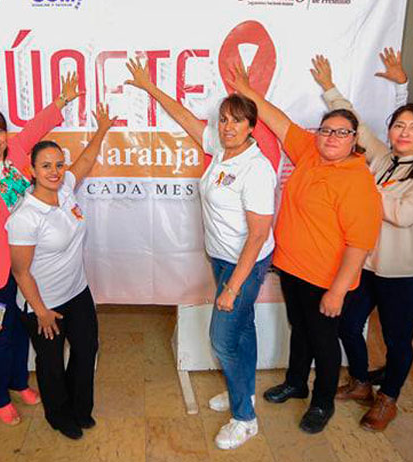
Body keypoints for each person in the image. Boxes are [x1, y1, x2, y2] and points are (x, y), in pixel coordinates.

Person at [125, 58, 277, 450]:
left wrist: (231, 288)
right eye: (223, 119)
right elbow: (184, 117)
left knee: (224, 339)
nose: (227, 127)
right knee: (243, 332)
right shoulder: (221, 148)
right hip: (222, 257)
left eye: (236, 121)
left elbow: (258, 236)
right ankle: (241, 389)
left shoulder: (256, 169)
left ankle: (245, 418)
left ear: (251, 127)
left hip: (247, 262)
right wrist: (149, 87)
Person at [227, 62, 383, 434]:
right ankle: (296, 382)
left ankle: (322, 402)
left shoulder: (358, 182)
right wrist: (248, 90)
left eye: (341, 132)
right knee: (299, 329)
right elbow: (278, 121)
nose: (331, 137)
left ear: (354, 138)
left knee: (325, 344)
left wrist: (337, 291)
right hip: (293, 269)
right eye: (326, 130)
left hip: (326, 279)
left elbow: (359, 246)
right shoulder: (310, 153)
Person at [310, 53, 413, 431]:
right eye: (398, 126)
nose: (404, 133)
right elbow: (354, 123)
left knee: (397, 340)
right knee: (346, 325)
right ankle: (360, 382)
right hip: (368, 266)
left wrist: (362, 190)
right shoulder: (382, 159)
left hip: (406, 273)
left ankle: (388, 398)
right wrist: (329, 87)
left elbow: (404, 215)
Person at [0, 72, 81, 425]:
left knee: (26, 328)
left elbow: (36, 127)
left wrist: (62, 100)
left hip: (28, 268)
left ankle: (19, 381)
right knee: (0, 333)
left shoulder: (18, 157)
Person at [7, 103, 115, 440]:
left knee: (86, 350)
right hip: (43, 304)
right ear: (33, 170)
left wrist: (102, 129)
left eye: (58, 165)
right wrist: (41, 311)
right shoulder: (25, 216)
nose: (54, 171)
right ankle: (58, 414)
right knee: (51, 364)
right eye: (46, 166)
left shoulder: (65, 189)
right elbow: (21, 272)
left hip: (77, 292)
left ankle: (80, 409)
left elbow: (84, 161)